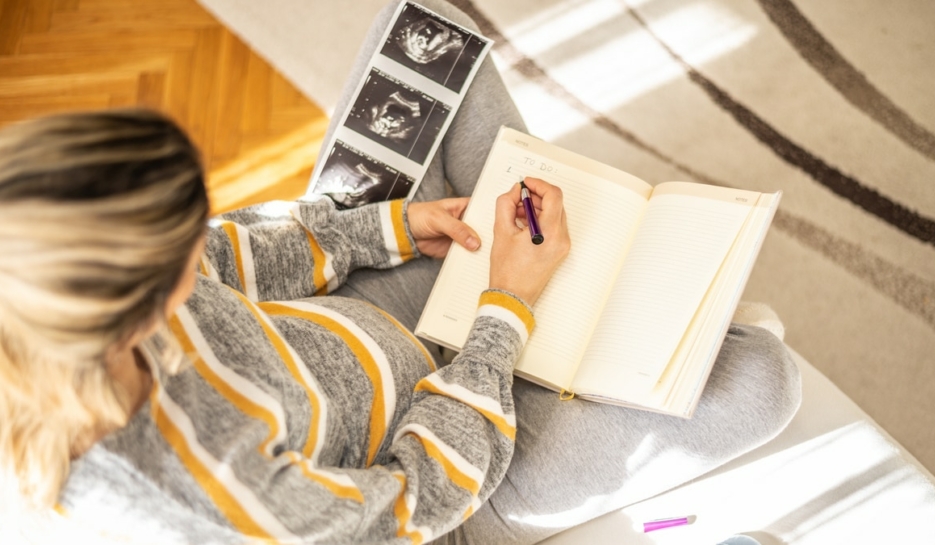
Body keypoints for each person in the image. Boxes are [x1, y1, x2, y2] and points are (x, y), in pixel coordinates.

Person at [0, 1, 800, 543]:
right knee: (765, 381)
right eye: (179, 252)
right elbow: (414, 498)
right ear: (128, 314)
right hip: (457, 469)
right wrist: (505, 312)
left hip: (362, 322)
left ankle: (603, 303)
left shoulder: (45, 287)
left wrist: (387, 229)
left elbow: (234, 250)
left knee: (434, 28)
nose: (199, 246)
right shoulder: (206, 502)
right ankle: (608, 315)